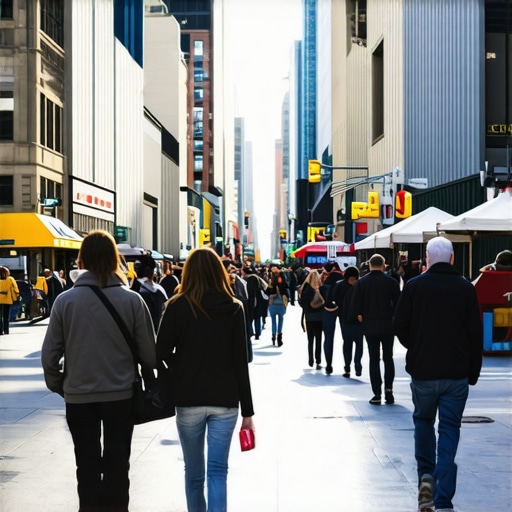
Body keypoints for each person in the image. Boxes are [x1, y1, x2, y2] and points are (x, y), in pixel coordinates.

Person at [41, 230, 156, 512]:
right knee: (118, 466)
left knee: (87, 466)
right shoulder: (132, 301)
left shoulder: (64, 302)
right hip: (121, 397)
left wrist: (62, 385)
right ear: (114, 259)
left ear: (82, 260)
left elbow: (49, 357)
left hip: (79, 396)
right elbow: (151, 357)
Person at [156, 247, 255, 512]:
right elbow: (240, 362)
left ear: (188, 273)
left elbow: (160, 352)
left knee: (194, 473)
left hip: (188, 399)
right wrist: (248, 411)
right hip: (225, 401)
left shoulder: (177, 306)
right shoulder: (234, 308)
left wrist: (181, 365)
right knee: (218, 472)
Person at [393, 236, 483, 512]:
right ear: (453, 258)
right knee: (449, 429)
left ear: (428, 259)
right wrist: (473, 370)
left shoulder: (414, 287)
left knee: (423, 421)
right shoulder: (466, 288)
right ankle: (442, 495)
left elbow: (400, 326)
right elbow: (475, 332)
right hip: (456, 372)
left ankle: (426, 480)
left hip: (424, 371)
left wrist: (417, 346)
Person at [350, 253, 400, 404]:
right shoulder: (391, 282)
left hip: (370, 325)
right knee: (388, 358)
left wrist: (360, 316)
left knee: (374, 359)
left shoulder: (362, 283)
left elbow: (355, 306)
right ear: (384, 265)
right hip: (387, 325)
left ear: (370, 265)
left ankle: (377, 393)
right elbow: (399, 305)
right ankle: (389, 391)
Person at [334, 265, 363, 378]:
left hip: (355, 320)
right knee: (348, 344)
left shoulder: (342, 286)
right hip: (346, 320)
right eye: (351, 279)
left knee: (357, 344)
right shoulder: (343, 286)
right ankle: (347, 366)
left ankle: (357, 364)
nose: (353, 281)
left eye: (355, 279)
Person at [320, 262, 343, 375]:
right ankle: (347, 365)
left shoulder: (323, 282)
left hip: (327, 310)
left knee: (328, 338)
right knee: (347, 339)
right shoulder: (342, 278)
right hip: (342, 309)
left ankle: (328, 364)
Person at [298, 269, 324, 369]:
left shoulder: (305, 288)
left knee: (310, 339)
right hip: (319, 317)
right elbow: (323, 302)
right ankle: (318, 360)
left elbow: (301, 303)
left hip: (309, 317)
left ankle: (310, 359)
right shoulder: (320, 288)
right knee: (319, 338)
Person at [266, 266, 289, 347]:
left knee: (273, 321)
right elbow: (287, 287)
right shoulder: (282, 283)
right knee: (281, 320)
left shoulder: (271, 282)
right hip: (281, 304)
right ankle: (279, 337)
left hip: (272, 304)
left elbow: (267, 292)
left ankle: (273, 336)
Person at [0, 266, 20, 334]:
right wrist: (17, 295)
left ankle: (0, 330)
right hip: (7, 299)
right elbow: (15, 288)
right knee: (6, 315)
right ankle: (6, 330)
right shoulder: (11, 279)